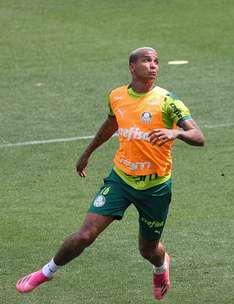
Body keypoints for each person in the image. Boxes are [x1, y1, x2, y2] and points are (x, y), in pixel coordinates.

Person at [16, 47, 205, 300]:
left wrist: (177, 133)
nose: (154, 66)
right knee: (85, 235)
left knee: (148, 250)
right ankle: (45, 273)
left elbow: (199, 137)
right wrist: (87, 153)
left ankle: (161, 267)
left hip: (155, 187)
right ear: (132, 66)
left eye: (157, 62)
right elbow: (111, 124)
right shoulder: (117, 96)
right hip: (121, 180)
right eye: (147, 61)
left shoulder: (169, 101)